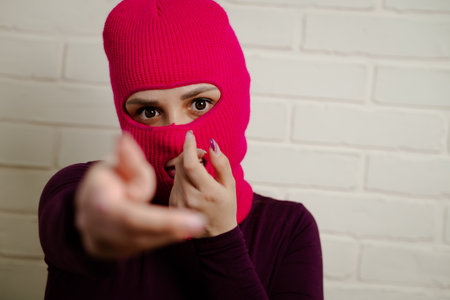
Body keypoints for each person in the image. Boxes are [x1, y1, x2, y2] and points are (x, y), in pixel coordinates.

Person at [38, 0, 323, 299]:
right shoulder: (80, 188)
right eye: (149, 111)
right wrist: (93, 220)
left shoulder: (288, 229)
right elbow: (72, 224)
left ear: (238, 103)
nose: (177, 136)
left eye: (199, 104)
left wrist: (220, 238)